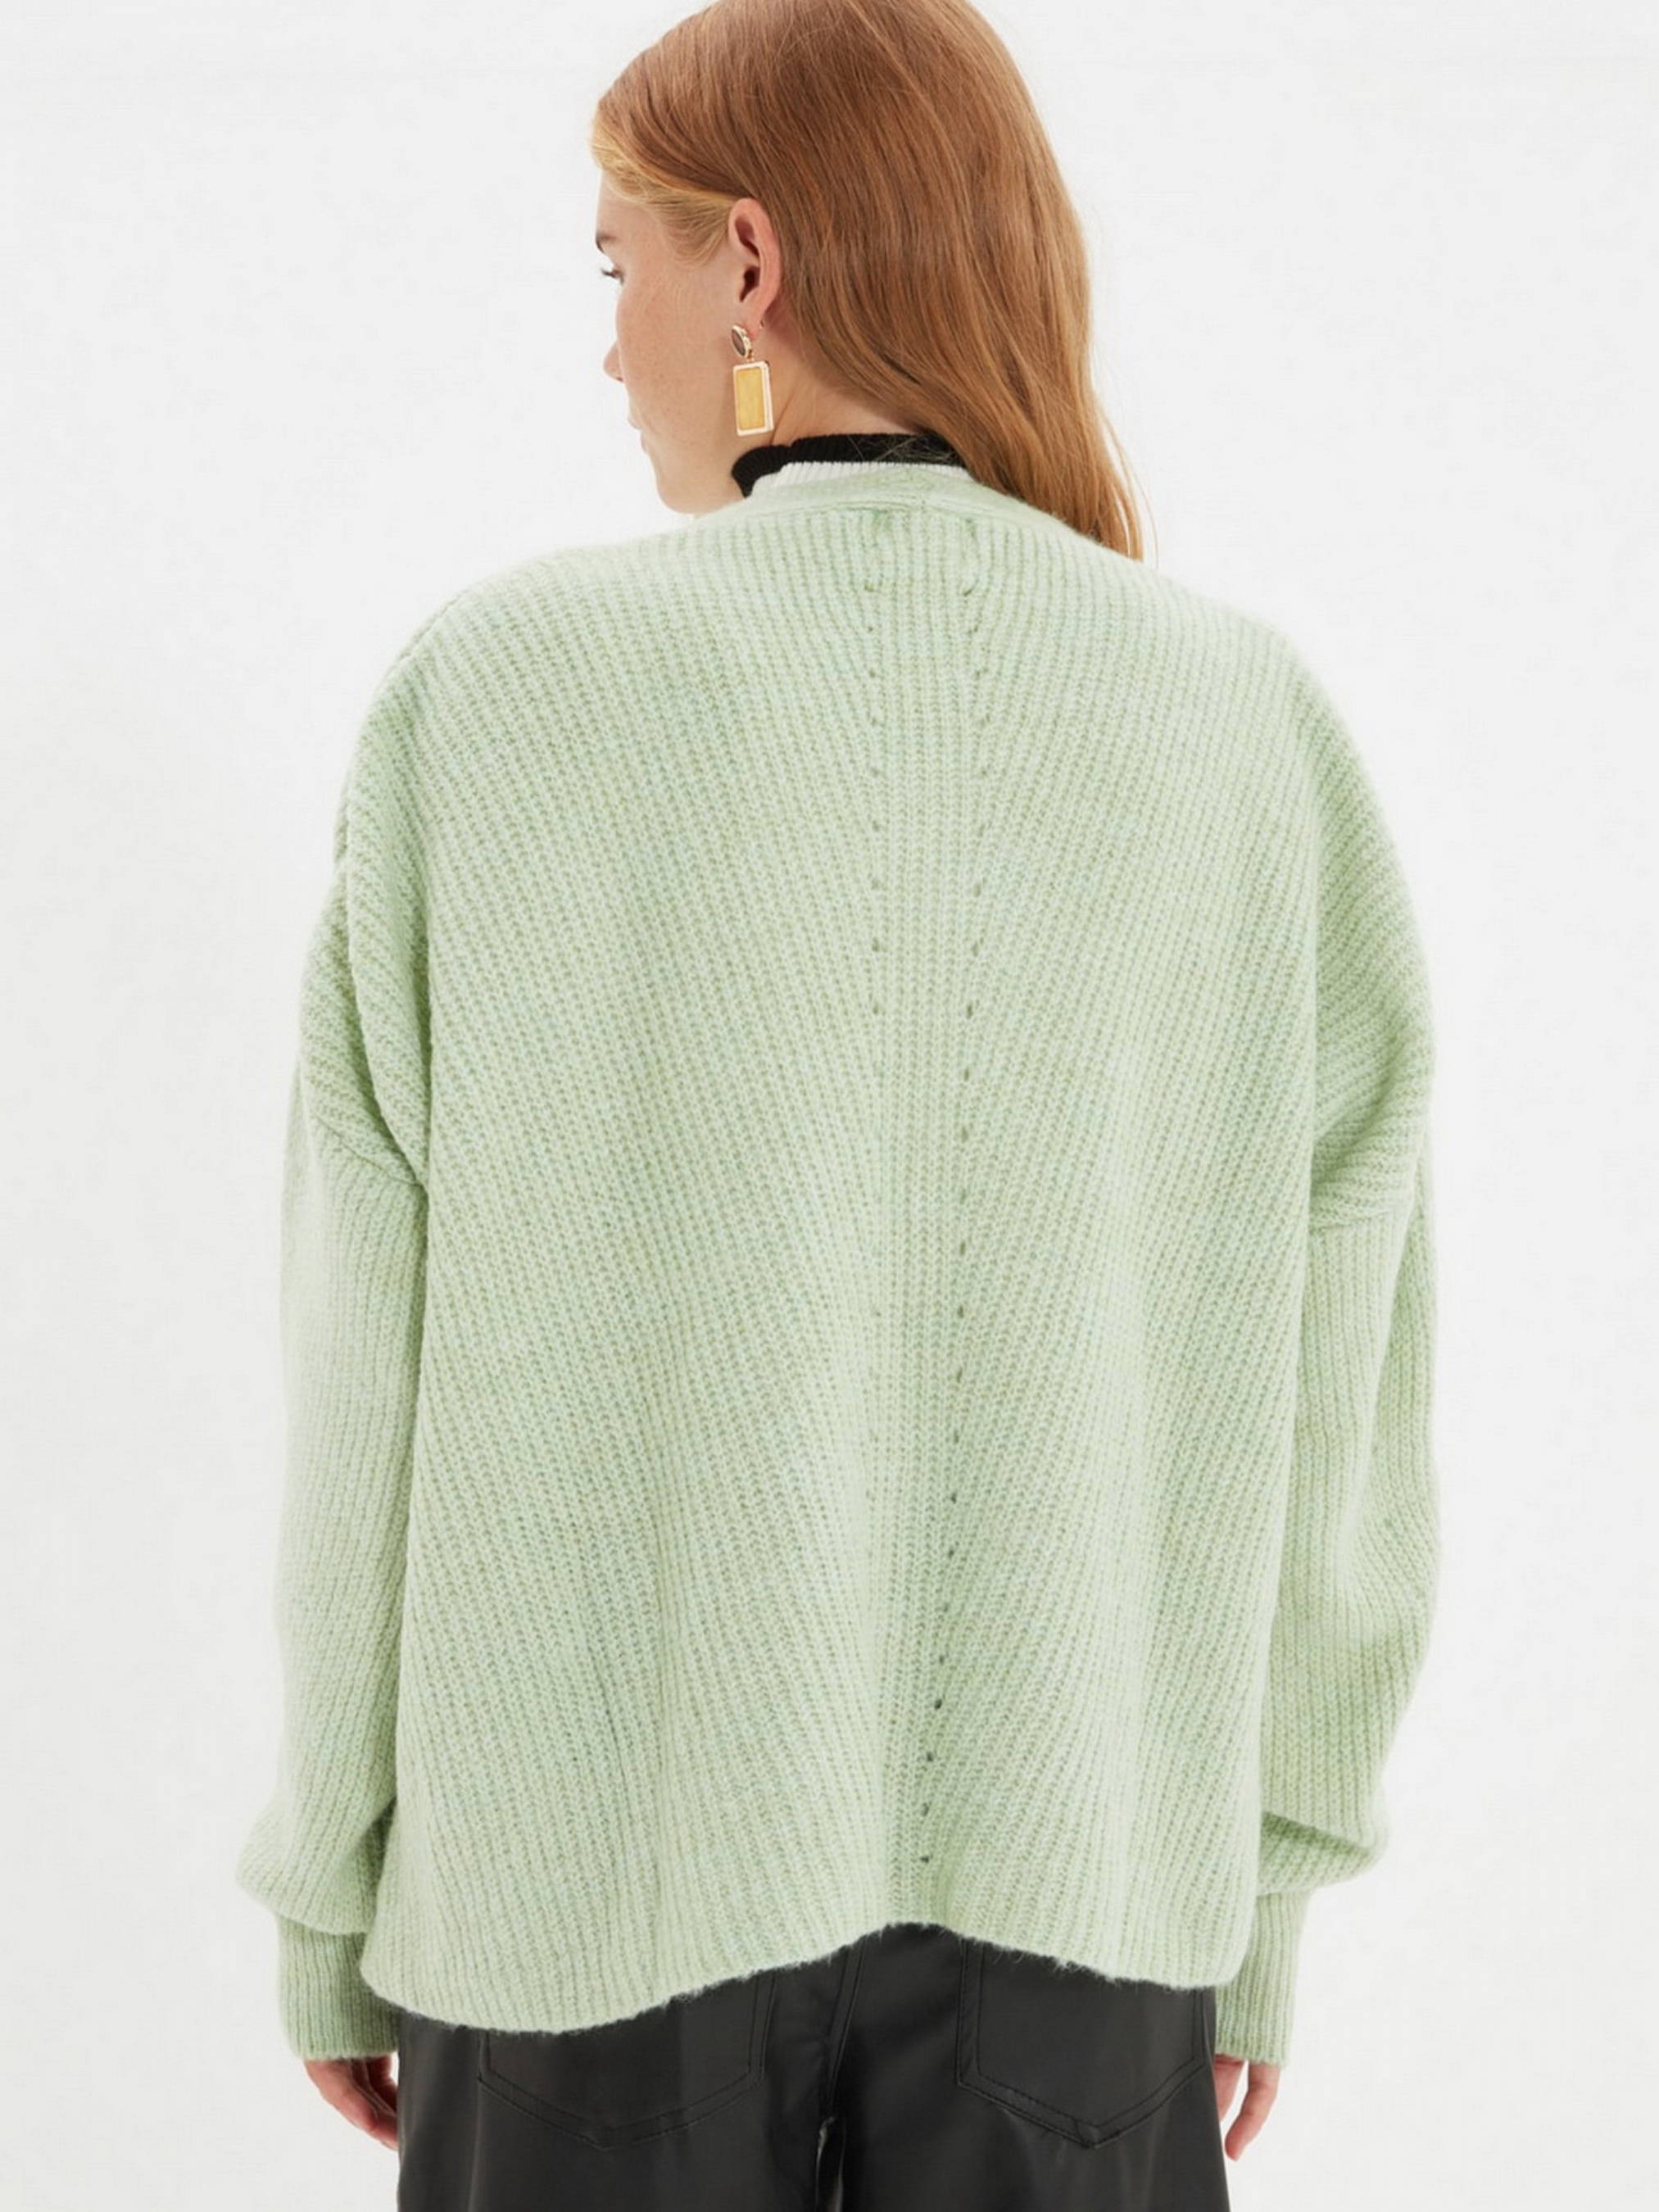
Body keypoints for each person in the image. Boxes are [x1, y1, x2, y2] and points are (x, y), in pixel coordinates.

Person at [233, 2, 1441, 2205]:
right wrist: (1255, 1897)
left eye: (621, 264)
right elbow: (1335, 1406)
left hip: (575, 1897)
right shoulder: (1242, 727)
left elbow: (365, 1370)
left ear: (752, 265)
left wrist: (335, 1881)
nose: (610, 343)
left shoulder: (497, 695)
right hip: (1089, 1900)